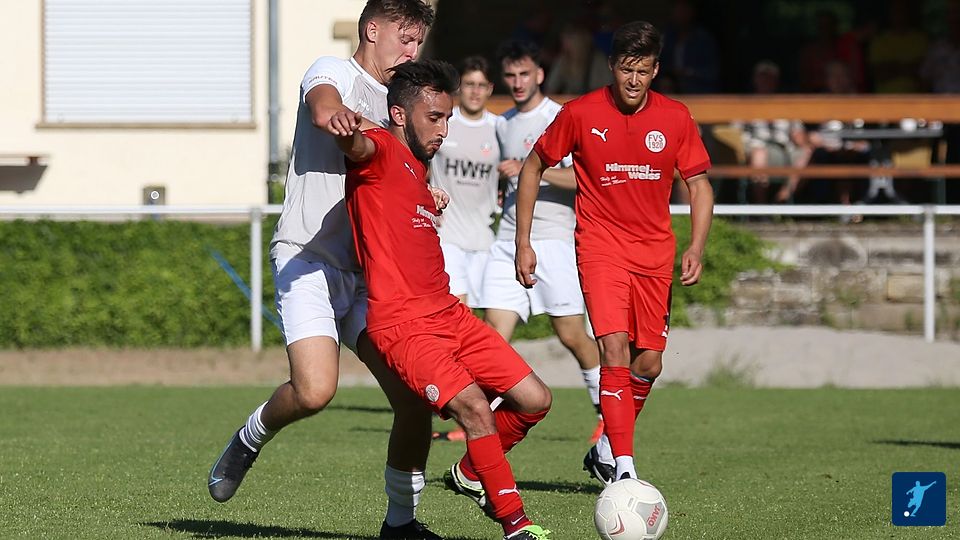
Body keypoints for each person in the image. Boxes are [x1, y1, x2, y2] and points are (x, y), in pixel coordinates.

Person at [207, 3, 443, 538]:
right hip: (308, 257)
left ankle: (401, 524)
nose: (412, 52)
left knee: (414, 398)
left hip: (366, 273)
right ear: (372, 29)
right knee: (314, 392)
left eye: (418, 43)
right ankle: (250, 436)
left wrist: (430, 193)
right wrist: (337, 115)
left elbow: (403, 174)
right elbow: (323, 106)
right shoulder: (333, 70)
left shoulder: (400, 101)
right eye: (404, 39)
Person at [332, 59, 553, 540]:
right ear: (398, 115)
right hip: (404, 326)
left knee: (536, 399)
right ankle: (515, 523)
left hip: (450, 313)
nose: (444, 129)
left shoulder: (418, 166)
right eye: (434, 117)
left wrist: (428, 194)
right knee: (474, 409)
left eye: (447, 118)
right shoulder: (379, 149)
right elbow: (357, 145)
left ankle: (471, 473)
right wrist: (346, 126)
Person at [514, 20, 714, 484]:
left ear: (656, 70)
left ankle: (606, 446)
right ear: (611, 66)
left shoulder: (676, 117)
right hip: (600, 247)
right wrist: (524, 242)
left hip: (655, 253)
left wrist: (697, 246)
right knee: (614, 347)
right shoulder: (580, 113)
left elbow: (700, 184)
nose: (634, 80)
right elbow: (533, 166)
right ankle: (624, 469)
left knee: (649, 363)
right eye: (626, 69)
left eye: (643, 71)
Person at [478, 39, 604, 444]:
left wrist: (533, 169)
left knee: (571, 335)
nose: (517, 82)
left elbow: (585, 177)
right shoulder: (503, 123)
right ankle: (481, 420)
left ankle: (608, 412)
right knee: (493, 336)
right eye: (510, 75)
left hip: (554, 239)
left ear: (540, 75)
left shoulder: (561, 117)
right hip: (509, 239)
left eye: (524, 74)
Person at [429, 55, 501, 308]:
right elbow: (418, 165)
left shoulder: (499, 128)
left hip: (485, 238)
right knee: (458, 308)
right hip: (447, 235)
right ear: (460, 86)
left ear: (490, 88)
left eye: (481, 85)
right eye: (469, 84)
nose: (475, 91)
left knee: (488, 317)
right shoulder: (444, 123)